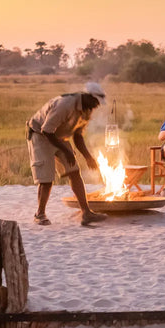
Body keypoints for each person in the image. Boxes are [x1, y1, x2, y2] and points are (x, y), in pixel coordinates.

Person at [26, 81, 108, 226]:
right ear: (87, 97)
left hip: (58, 137)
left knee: (74, 171)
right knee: (46, 179)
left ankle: (86, 213)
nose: (96, 106)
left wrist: (88, 157)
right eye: (95, 101)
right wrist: (66, 151)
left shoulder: (87, 111)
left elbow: (77, 136)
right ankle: (40, 214)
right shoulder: (64, 105)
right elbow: (46, 130)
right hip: (40, 135)